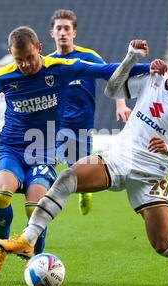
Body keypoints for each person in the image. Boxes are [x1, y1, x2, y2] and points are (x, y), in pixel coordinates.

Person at [0, 39, 168, 282]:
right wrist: (131, 58)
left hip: (151, 175)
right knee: (69, 176)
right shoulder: (153, 77)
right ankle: (27, 240)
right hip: (118, 158)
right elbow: (112, 90)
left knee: (163, 244)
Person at [0, 26, 151, 276]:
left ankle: (37, 260)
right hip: (10, 148)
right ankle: (0, 247)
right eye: (19, 60)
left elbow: (105, 70)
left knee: (35, 208)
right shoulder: (5, 75)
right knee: (0, 196)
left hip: (42, 151)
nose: (25, 65)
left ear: (39, 49)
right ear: (12, 55)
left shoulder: (59, 68)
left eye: (30, 57)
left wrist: (149, 68)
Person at [49, 9, 132, 216]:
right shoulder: (48, 62)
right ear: (52, 33)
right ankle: (42, 205)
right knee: (49, 162)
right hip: (56, 126)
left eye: (66, 28)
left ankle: (84, 193)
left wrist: (120, 105)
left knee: (78, 170)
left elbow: (113, 77)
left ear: (74, 33)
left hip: (82, 127)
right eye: (58, 28)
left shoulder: (88, 57)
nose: (62, 33)